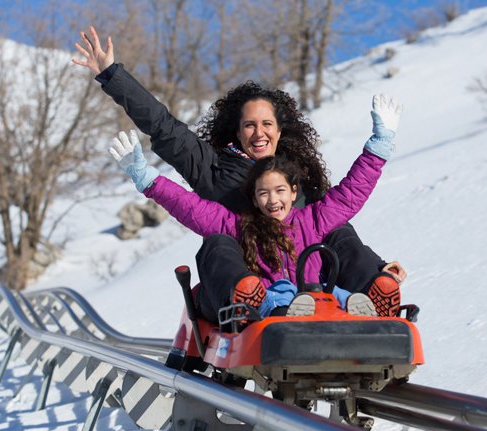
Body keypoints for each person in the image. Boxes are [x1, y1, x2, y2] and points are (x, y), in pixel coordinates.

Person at [73, 26, 406, 320]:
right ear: (237, 130)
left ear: (280, 130)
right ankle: (250, 298)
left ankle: (375, 289)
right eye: (249, 125)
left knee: (338, 229)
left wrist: (377, 267)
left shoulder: (298, 177)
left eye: (266, 124)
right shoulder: (213, 168)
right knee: (218, 242)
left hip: (311, 286)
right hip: (242, 286)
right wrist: (112, 75)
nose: (258, 133)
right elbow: (165, 129)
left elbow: (348, 198)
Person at [108, 94, 403, 318]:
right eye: (264, 193)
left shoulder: (314, 218)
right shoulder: (238, 224)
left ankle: (364, 304)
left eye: (279, 192)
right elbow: (188, 206)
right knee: (278, 293)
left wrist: (380, 142)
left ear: (293, 192)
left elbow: (351, 192)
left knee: (335, 291)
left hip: (318, 296)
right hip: (272, 297)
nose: (273, 200)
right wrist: (144, 176)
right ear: (254, 197)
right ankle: (267, 308)